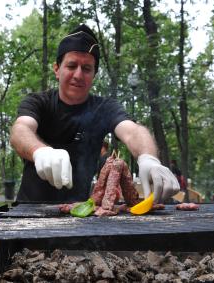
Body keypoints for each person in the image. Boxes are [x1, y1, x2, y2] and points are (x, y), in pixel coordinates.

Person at [10, 24, 180, 204]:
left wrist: (148, 158)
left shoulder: (104, 108)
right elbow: (21, 130)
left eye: (86, 68)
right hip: (30, 210)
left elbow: (133, 131)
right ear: (57, 69)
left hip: (80, 213)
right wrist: (39, 151)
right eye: (71, 65)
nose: (78, 74)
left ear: (94, 75)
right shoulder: (38, 102)